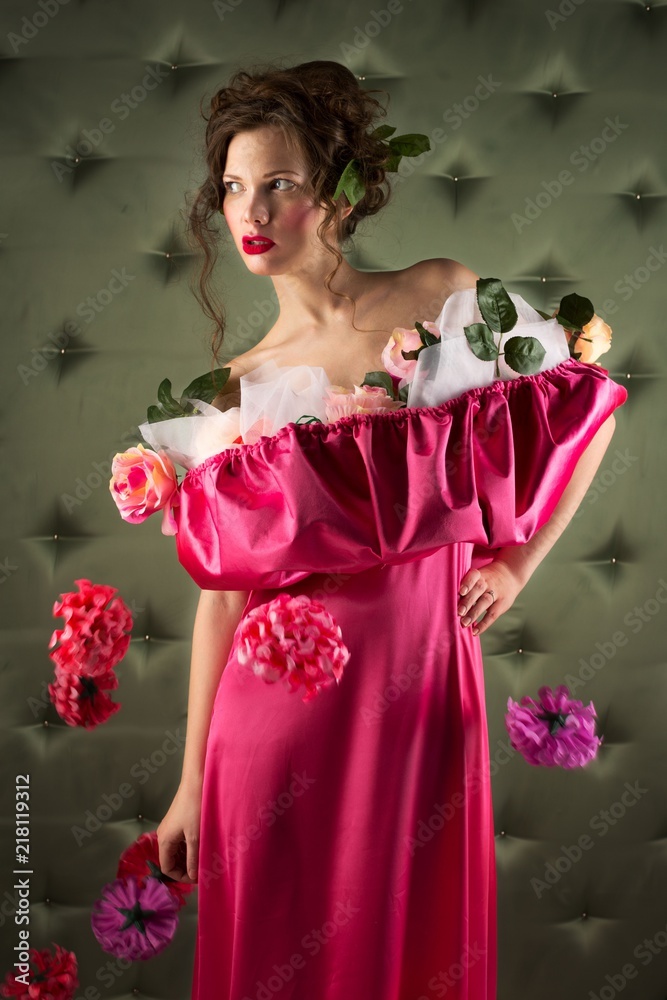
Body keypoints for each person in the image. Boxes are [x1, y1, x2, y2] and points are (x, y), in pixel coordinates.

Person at [156, 59, 626, 1000]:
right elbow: (222, 600)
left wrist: (518, 567)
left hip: (419, 701)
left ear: (331, 193)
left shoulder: (441, 297)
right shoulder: (239, 386)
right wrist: (189, 782)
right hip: (274, 723)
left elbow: (589, 413)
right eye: (235, 188)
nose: (250, 210)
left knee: (414, 951)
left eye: (278, 184)